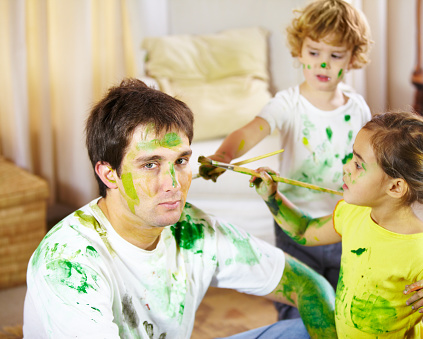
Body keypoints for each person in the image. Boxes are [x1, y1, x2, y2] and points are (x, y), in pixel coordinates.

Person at [22, 78, 337, 339]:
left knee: (303, 330)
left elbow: (309, 286)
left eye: (181, 161)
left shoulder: (192, 230)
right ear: (109, 174)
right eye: (151, 164)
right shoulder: (68, 264)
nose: (173, 183)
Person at [199, 0, 372, 320]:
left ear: (352, 57)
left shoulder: (358, 108)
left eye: (335, 56)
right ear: (299, 51)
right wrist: (224, 155)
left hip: (343, 226)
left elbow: (369, 162)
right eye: (314, 53)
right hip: (293, 224)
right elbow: (252, 130)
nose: (323, 64)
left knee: (343, 310)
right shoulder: (287, 104)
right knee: (301, 310)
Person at [250, 111, 423, 337]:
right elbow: (304, 230)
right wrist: (272, 198)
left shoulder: (422, 251)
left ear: (395, 187)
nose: (346, 167)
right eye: (352, 158)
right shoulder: (354, 213)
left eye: (358, 165)